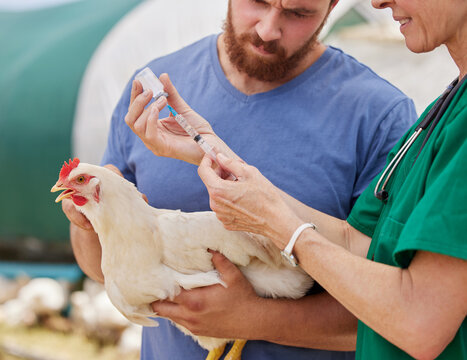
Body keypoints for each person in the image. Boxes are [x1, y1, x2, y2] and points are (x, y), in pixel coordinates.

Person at [62, 0, 418, 359]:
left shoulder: (380, 117)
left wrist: (257, 319)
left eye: (298, 13)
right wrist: (90, 222)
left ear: (333, 5)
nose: (267, 29)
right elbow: (102, 271)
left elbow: (404, 310)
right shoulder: (152, 96)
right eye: (258, 1)